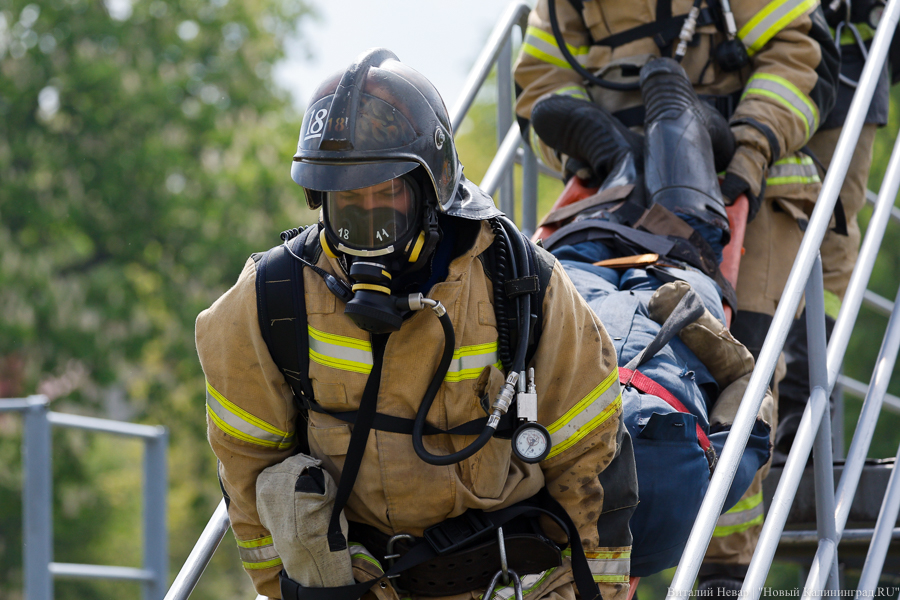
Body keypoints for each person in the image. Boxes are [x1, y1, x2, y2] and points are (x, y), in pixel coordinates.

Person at [196, 48, 638, 600]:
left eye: (388, 193)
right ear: (318, 198)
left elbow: (591, 462)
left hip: (518, 582)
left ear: (432, 192)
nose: (369, 222)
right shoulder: (266, 302)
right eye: (348, 201)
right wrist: (291, 589)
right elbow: (250, 479)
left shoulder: (523, 283)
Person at [513, 0, 839, 592]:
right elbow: (540, 77)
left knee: (718, 351)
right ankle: (720, 573)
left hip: (723, 171)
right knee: (652, 319)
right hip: (659, 187)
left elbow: (798, 56)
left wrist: (745, 154)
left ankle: (721, 571)